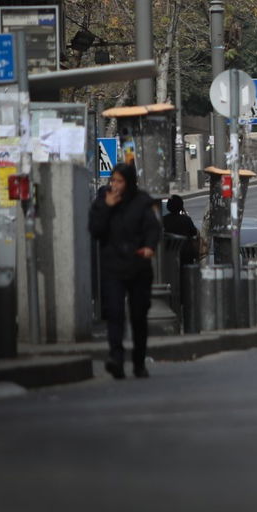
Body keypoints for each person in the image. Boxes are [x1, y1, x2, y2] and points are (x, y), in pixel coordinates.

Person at [88, 162, 162, 380]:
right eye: (113, 181)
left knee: (139, 315)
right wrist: (107, 207)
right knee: (115, 313)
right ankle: (116, 359)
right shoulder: (104, 201)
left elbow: (153, 228)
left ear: (129, 183)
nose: (116, 186)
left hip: (138, 266)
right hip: (113, 267)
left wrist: (149, 246)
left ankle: (139, 362)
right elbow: (95, 230)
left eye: (120, 181)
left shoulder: (142, 202)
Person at [161, 194, 202, 266]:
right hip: (186, 254)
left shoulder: (163, 220)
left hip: (169, 254)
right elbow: (194, 232)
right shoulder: (186, 220)